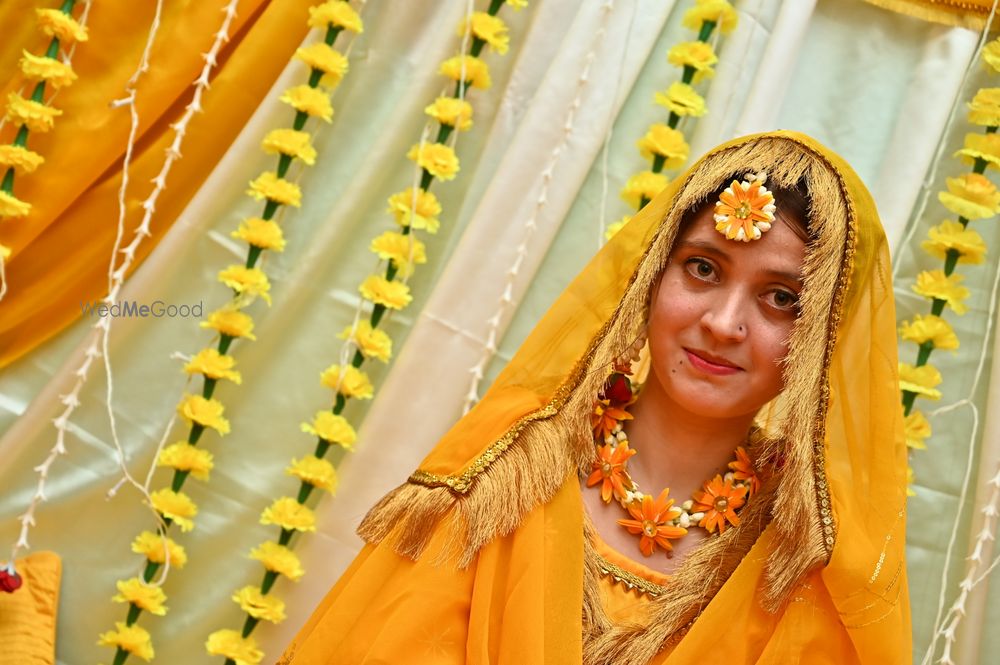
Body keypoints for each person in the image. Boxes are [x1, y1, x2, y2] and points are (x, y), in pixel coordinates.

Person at [278, 131, 911, 664]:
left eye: (782, 299)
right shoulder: (509, 464)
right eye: (703, 268)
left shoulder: (804, 559)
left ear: (826, 337)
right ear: (650, 274)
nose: (723, 322)